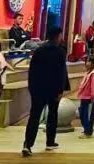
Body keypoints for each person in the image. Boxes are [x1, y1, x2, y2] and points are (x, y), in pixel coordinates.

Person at [22, 26, 70, 157]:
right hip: (53, 89)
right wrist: (61, 89)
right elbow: (61, 73)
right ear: (58, 36)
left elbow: (32, 71)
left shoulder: (39, 50)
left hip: (37, 88)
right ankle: (50, 141)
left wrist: (31, 87)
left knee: (34, 116)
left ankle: (27, 144)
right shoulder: (60, 52)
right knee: (52, 115)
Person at [76, 56, 94, 139]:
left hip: (90, 99)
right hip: (84, 97)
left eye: (89, 61)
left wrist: (93, 97)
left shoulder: (93, 74)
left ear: (93, 63)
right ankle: (88, 129)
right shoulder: (88, 73)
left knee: (88, 116)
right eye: (87, 61)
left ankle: (88, 132)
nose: (87, 63)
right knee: (82, 114)